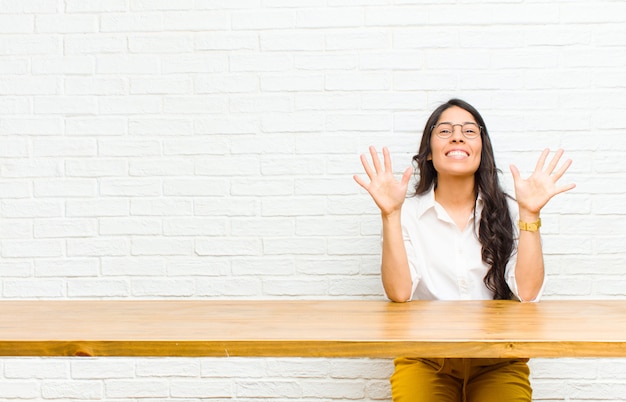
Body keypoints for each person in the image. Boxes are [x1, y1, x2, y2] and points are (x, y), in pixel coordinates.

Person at [353, 99, 575, 402]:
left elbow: (527, 293)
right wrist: (390, 215)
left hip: (498, 360)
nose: (457, 136)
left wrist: (530, 215)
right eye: (445, 130)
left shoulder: (511, 209)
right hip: (425, 358)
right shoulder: (406, 213)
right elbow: (399, 293)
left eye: (469, 131)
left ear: (481, 148)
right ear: (429, 152)